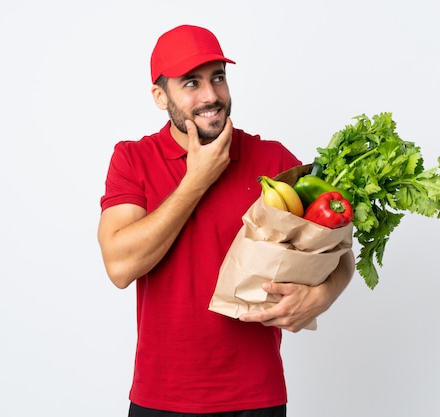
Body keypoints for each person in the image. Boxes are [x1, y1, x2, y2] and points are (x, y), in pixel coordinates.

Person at [97, 24, 355, 417]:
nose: (211, 96)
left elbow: (338, 251)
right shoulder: (133, 160)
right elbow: (119, 266)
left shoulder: (274, 162)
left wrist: (322, 296)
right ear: (159, 95)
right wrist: (197, 180)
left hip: (256, 397)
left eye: (218, 77)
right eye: (191, 83)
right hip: (161, 397)